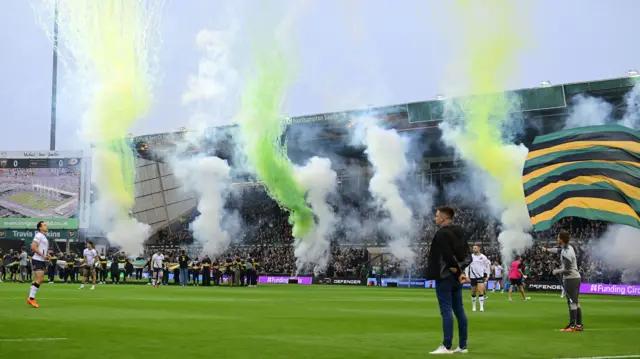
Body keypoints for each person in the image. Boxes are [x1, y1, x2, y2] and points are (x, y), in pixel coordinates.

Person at [425, 206, 471, 355]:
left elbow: (446, 256)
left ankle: (447, 345)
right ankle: (463, 346)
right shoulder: (461, 232)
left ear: (443, 218)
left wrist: (457, 272)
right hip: (456, 276)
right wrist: (461, 271)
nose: (435, 218)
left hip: (445, 275)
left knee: (446, 310)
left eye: (437, 216)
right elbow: (467, 256)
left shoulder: (442, 234)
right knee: (460, 310)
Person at [542, 231, 583, 332]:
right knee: (575, 302)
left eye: (558, 237)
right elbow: (558, 250)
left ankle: (572, 326)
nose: (556, 239)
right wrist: (547, 250)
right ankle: (578, 325)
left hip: (571, 278)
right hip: (575, 277)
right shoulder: (568, 248)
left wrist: (557, 271)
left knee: (571, 302)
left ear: (561, 239)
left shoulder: (566, 252)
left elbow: (567, 269)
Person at [27, 221, 50, 308]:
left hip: (40, 260)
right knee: (40, 279)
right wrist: (43, 255)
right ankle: (31, 298)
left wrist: (46, 254)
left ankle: (31, 297)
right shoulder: (38, 235)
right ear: (40, 228)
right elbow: (33, 247)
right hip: (37, 260)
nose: (46, 226)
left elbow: (42, 249)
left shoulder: (42, 236)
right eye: (44, 225)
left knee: (39, 279)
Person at [466, 244, 491, 312]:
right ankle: (473, 306)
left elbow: (487, 266)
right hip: (472, 276)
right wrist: (467, 276)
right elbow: (467, 266)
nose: (474, 249)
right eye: (473, 248)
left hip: (480, 276)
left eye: (475, 248)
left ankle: (481, 307)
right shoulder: (470, 257)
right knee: (473, 292)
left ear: (479, 249)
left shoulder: (483, 257)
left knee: (480, 291)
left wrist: (488, 275)